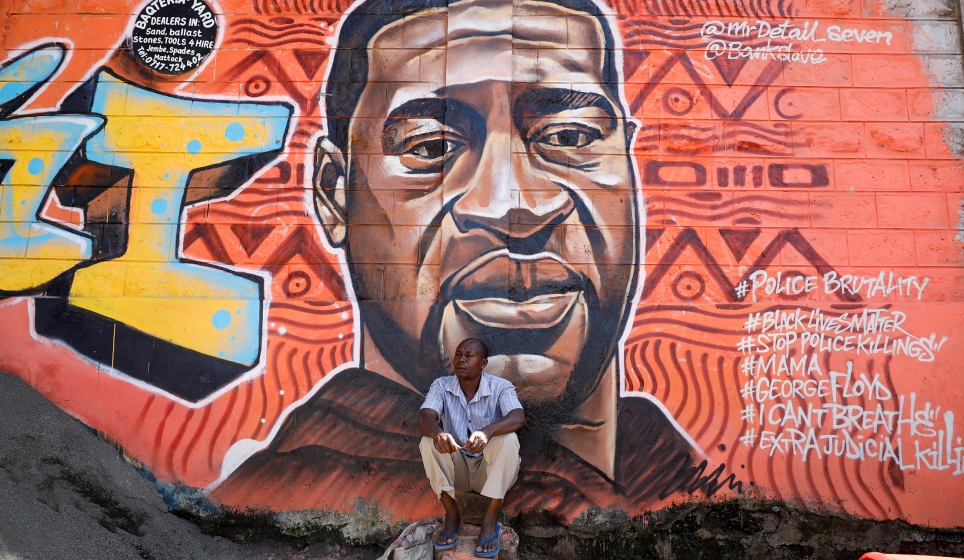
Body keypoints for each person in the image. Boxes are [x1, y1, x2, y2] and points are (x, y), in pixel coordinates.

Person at [210, 0, 740, 517]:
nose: (515, 205)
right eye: (429, 147)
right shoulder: (296, 497)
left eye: (571, 136)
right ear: (334, 195)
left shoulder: (674, 475)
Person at [418, 338, 525, 555]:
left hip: (489, 471)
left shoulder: (501, 387)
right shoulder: (441, 385)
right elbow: (424, 416)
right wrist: (438, 432)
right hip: (456, 471)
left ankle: (490, 516)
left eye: (469, 355)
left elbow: (518, 417)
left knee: (509, 438)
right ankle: (452, 513)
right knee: (428, 440)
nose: (461, 359)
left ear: (483, 363)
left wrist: (487, 432)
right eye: (458, 354)